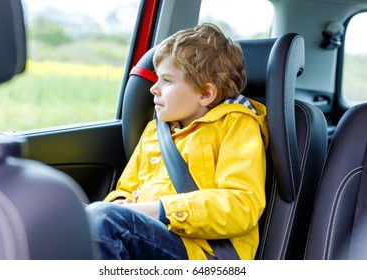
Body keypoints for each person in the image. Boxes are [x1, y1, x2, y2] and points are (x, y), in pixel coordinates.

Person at [85, 23, 268, 260]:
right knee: (68, 215)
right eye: (157, 79)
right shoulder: (155, 131)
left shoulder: (236, 125)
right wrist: (121, 202)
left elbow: (240, 205)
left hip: (203, 252)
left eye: (167, 81)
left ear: (205, 94)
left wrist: (158, 211)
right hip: (146, 234)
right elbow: (126, 188)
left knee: (104, 219)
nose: (153, 89)